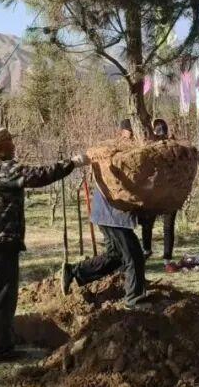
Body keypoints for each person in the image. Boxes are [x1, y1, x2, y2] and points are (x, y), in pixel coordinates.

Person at [0, 127, 87, 361]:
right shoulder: (7, 170)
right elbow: (40, 175)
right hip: (3, 243)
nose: (14, 145)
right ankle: (3, 350)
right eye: (10, 141)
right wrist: (72, 163)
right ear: (2, 146)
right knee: (3, 297)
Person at [63, 121, 149, 307]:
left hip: (110, 214)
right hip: (111, 214)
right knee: (134, 256)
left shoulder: (137, 150)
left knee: (115, 255)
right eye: (130, 131)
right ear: (122, 132)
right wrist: (71, 163)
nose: (133, 135)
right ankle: (134, 299)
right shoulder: (113, 150)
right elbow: (90, 157)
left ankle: (76, 272)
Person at [136, 118, 178, 262]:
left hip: (165, 193)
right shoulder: (167, 147)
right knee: (151, 223)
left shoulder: (170, 148)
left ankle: (161, 255)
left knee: (163, 225)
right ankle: (153, 252)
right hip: (157, 193)